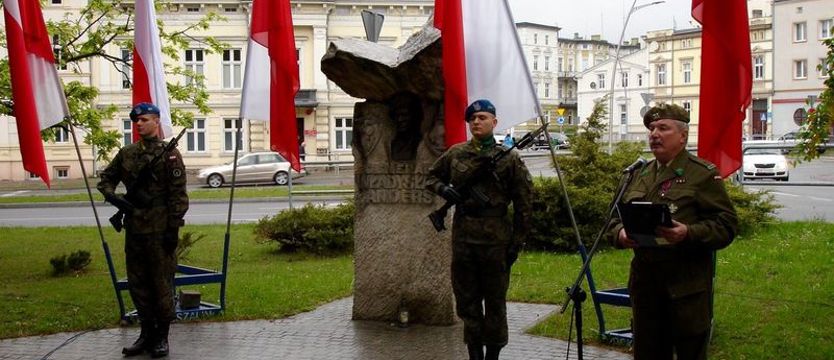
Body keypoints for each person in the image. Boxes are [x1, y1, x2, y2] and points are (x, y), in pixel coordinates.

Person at [609, 103, 738, 360]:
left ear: (682, 136)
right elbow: (613, 219)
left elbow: (727, 225)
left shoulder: (701, 174)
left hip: (685, 289)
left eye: (663, 128)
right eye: (652, 128)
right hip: (646, 288)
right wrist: (621, 234)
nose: (654, 134)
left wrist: (688, 232)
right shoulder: (638, 174)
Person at [426, 99, 534, 360]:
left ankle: (492, 356)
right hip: (464, 239)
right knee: (467, 303)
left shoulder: (510, 159)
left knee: (495, 303)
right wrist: (444, 189)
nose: (476, 122)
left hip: (497, 241)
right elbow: (431, 176)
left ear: (494, 122)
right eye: (472, 119)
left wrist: (516, 243)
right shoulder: (456, 153)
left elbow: (524, 204)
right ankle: (474, 354)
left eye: (483, 117)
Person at [97, 102, 189, 358]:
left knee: (160, 283)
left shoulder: (170, 154)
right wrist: (116, 200)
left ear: (156, 122)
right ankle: (145, 333)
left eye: (144, 120)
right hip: (135, 228)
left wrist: (174, 228)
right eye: (136, 121)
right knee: (138, 283)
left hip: (160, 231)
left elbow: (178, 196)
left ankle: (162, 336)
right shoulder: (127, 153)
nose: (139, 124)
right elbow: (105, 180)